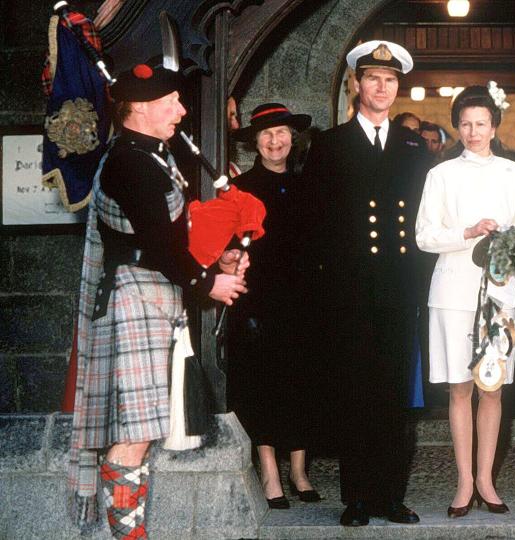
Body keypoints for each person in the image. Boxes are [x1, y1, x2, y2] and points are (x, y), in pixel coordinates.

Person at [67, 62, 249, 539]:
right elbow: (161, 247)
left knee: (141, 435)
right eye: (173, 102)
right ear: (143, 107)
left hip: (149, 301)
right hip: (137, 304)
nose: (182, 111)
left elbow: (171, 240)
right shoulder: (130, 161)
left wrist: (219, 260)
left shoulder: (148, 156)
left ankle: (131, 534)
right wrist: (209, 283)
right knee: (134, 435)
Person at [297, 40, 432, 527]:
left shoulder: (416, 146)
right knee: (354, 391)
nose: (381, 87)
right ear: (356, 84)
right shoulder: (330, 145)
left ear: (399, 87)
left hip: (399, 288)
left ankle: (390, 495)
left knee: (395, 394)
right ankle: (356, 496)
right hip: (349, 291)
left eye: (390, 80)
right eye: (372, 78)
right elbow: (313, 224)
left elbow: (424, 220)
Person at [415, 85, 515, 519]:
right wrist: (466, 233)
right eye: (465, 123)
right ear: (456, 126)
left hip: (501, 294)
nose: (473, 131)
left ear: (494, 125)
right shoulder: (441, 175)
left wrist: (506, 241)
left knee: (493, 388)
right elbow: (424, 236)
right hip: (452, 292)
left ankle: (487, 477)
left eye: (481, 123)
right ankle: (464, 480)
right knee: (459, 389)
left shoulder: (513, 173)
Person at [227, 103, 318, 509]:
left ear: (292, 138)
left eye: (281, 133)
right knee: (263, 385)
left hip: (303, 301)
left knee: (303, 383)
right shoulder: (240, 188)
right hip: (259, 301)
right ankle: (270, 473)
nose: (275, 141)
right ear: (255, 142)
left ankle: (300, 471)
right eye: (266, 135)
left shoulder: (308, 184)